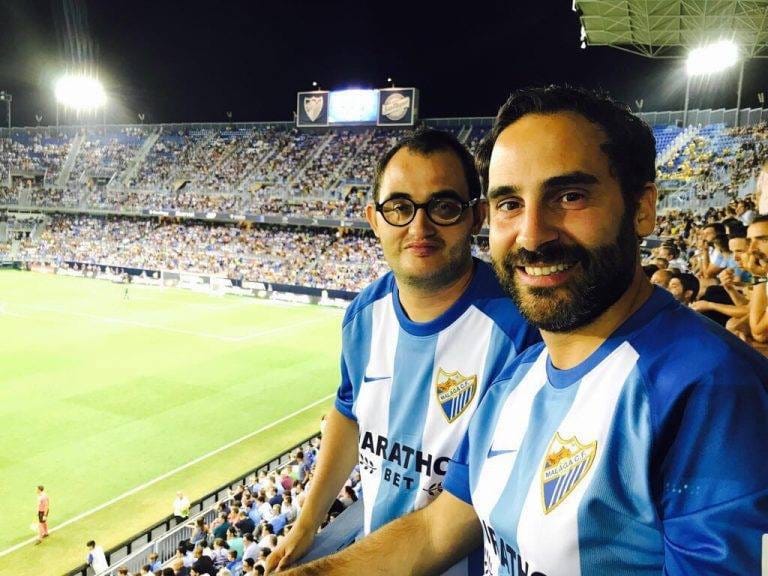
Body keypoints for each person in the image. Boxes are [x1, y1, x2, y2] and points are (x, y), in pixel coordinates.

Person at [277, 86, 768, 575]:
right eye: (510, 203)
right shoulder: (519, 378)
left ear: (642, 209)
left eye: (569, 196)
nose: (533, 234)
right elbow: (435, 531)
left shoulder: (712, 391)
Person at [265, 128, 539, 574]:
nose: (419, 227)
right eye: (399, 207)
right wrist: (308, 520)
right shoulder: (363, 314)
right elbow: (349, 413)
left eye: (444, 206)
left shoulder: (520, 332)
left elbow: (474, 508)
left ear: (477, 217)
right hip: (377, 556)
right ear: (374, 219)